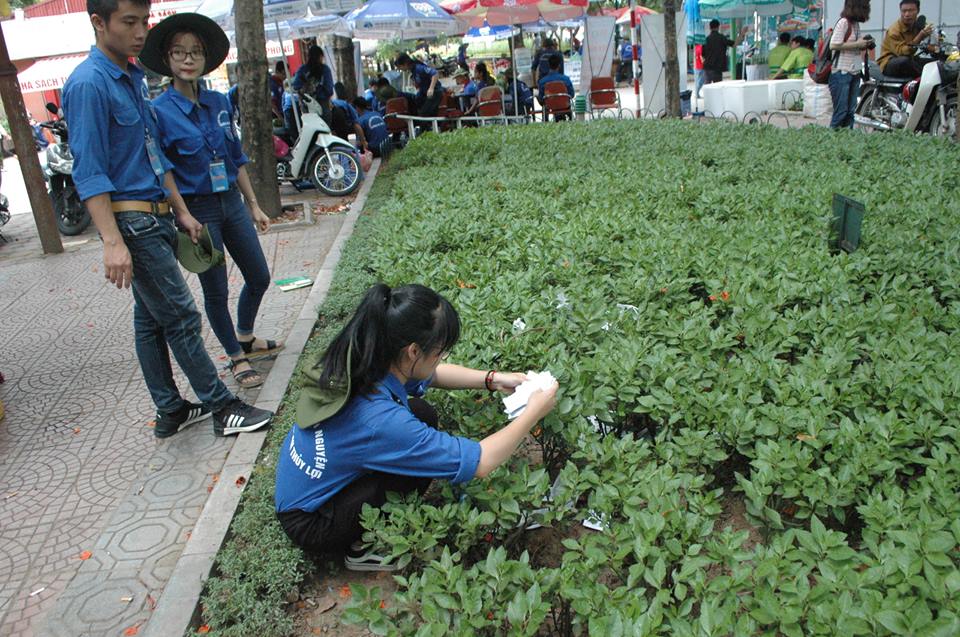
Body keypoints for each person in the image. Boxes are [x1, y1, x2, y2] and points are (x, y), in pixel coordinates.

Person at [63, 0, 272, 438]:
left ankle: (171, 409)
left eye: (143, 22)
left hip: (158, 215)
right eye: (129, 22)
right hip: (131, 221)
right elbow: (88, 171)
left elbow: (153, 156)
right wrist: (111, 241)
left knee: (151, 320)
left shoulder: (132, 78)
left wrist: (178, 211)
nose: (140, 32)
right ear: (99, 23)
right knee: (180, 315)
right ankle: (223, 407)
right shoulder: (89, 84)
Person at [274, 283, 559, 569]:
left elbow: (431, 375)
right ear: (412, 351)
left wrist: (493, 379)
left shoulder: (367, 357)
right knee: (415, 469)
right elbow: (481, 461)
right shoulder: (379, 421)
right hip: (314, 521)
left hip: (307, 489)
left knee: (421, 413)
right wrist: (533, 412)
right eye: (439, 352)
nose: (441, 359)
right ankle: (361, 550)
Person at [142, 12, 284, 390]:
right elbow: (165, 171)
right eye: (179, 53)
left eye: (196, 52)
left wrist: (253, 204)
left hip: (231, 204)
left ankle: (245, 335)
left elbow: (235, 157)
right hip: (198, 212)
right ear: (168, 60)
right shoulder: (159, 112)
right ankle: (236, 357)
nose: (188, 59)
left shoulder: (220, 101)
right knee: (216, 291)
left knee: (259, 275)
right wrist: (183, 215)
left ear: (206, 59)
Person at [828, 0, 873, 129]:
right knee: (841, 112)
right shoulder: (843, 23)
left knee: (850, 112)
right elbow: (834, 45)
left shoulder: (855, 24)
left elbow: (854, 45)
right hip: (841, 72)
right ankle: (832, 141)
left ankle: (847, 142)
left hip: (854, 72)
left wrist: (865, 44)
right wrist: (857, 44)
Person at [878, 0, 936, 78]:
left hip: (910, 59)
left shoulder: (918, 25)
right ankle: (926, 78)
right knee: (904, 61)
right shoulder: (894, 30)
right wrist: (920, 36)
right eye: (904, 11)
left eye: (911, 11)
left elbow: (931, 39)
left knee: (935, 64)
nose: (907, 14)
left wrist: (934, 45)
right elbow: (903, 53)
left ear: (918, 11)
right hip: (890, 62)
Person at [292, 45, 335, 120]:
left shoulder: (302, 69)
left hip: (307, 107)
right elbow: (329, 90)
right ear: (320, 56)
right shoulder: (325, 69)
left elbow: (295, 86)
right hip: (322, 106)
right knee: (324, 129)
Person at [393, 53, 442, 117]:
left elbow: (435, 73)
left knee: (423, 114)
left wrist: (431, 88)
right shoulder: (412, 71)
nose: (400, 69)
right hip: (423, 93)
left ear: (405, 64)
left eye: (400, 66)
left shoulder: (419, 68)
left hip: (434, 92)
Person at [702, 19, 750, 85]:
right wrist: (742, 34)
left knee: (707, 89)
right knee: (717, 88)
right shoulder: (721, 38)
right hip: (717, 69)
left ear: (710, 28)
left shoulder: (706, 39)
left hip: (707, 69)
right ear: (718, 27)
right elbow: (734, 44)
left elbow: (703, 55)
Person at [329, 83, 367, 151]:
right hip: (348, 133)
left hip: (335, 133)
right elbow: (356, 124)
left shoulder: (330, 104)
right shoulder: (346, 104)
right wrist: (363, 142)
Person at [538, 54, 574, 120]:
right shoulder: (566, 79)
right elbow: (572, 94)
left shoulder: (542, 82)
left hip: (549, 106)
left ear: (549, 65)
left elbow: (541, 98)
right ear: (559, 65)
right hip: (565, 105)